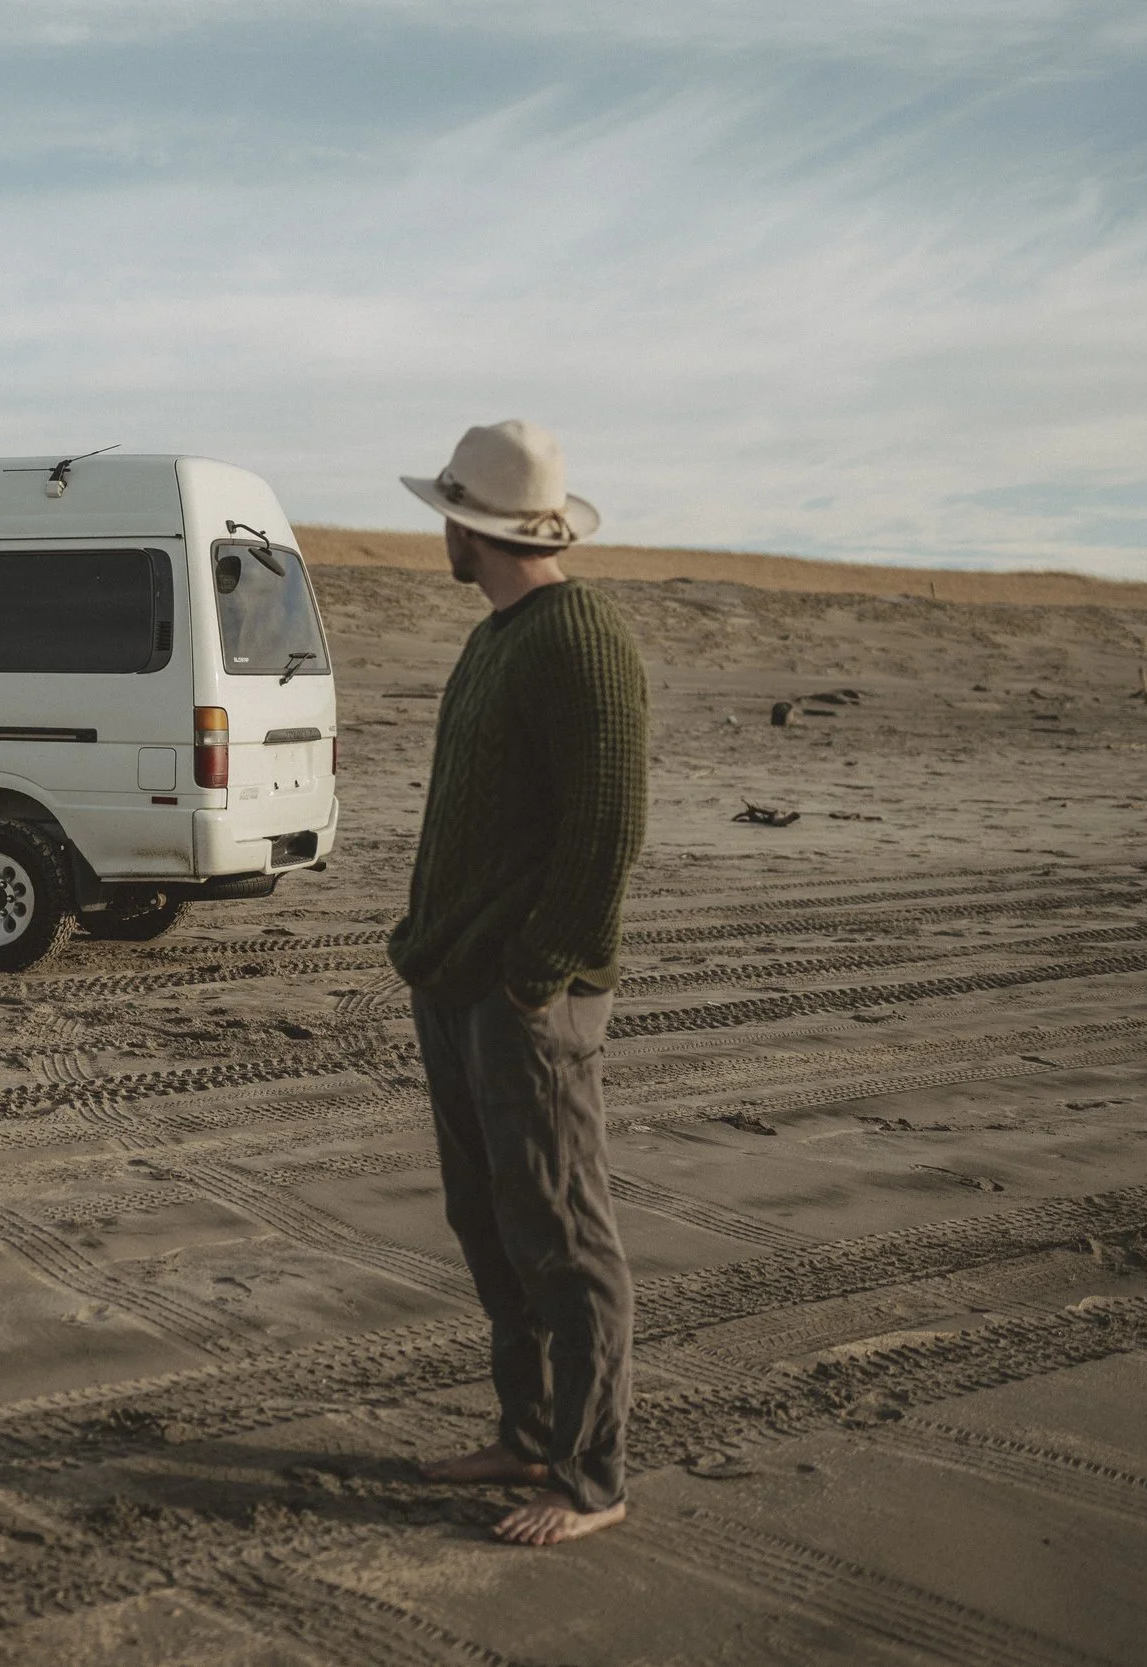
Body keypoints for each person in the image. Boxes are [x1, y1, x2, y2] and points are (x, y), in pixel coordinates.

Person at [386, 419, 647, 1546]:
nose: (439, 531)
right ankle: (528, 1430)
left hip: (525, 995)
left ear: (473, 526)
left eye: (447, 512)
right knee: (489, 1219)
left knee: (560, 1232)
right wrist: (428, 941)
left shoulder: (578, 637)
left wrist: (537, 975)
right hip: (457, 980)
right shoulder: (496, 636)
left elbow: (607, 827)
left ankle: (590, 1476)